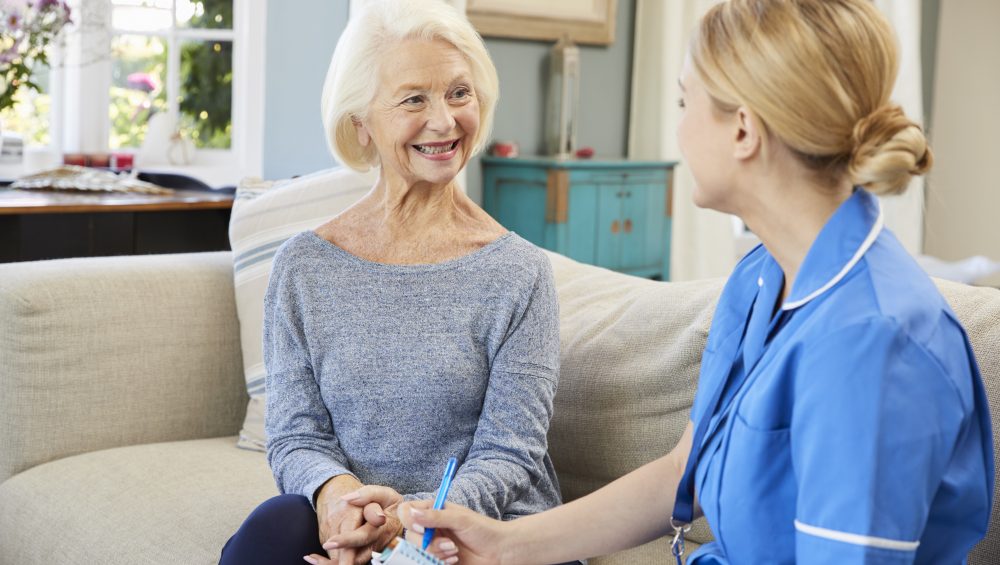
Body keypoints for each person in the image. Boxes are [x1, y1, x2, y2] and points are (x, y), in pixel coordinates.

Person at [332, 0, 995, 563]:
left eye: (686, 101)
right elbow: (683, 472)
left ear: (743, 129)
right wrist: (501, 542)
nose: (677, 126)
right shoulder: (764, 277)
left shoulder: (875, 347)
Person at [219, 1, 567, 564]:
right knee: (270, 530)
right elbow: (296, 435)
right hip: (353, 518)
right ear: (361, 124)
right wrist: (339, 503)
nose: (445, 121)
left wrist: (409, 522)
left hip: (481, 526)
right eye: (414, 99)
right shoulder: (304, 268)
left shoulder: (516, 272)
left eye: (459, 93)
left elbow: (511, 453)